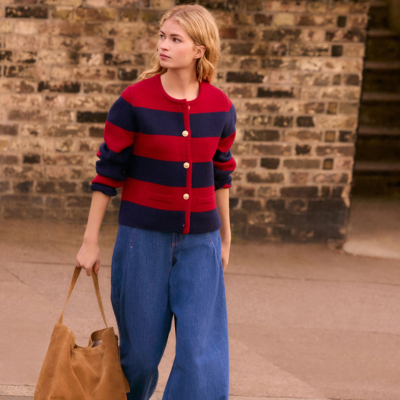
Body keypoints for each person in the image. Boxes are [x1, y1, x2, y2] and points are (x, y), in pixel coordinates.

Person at [76, 3, 237, 399]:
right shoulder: (133, 102)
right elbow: (107, 175)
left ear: (199, 49)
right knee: (141, 358)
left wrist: (226, 239)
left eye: (175, 39)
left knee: (202, 355)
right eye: (163, 36)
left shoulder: (220, 107)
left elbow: (221, 176)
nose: (164, 45)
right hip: (141, 241)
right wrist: (89, 241)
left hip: (202, 242)